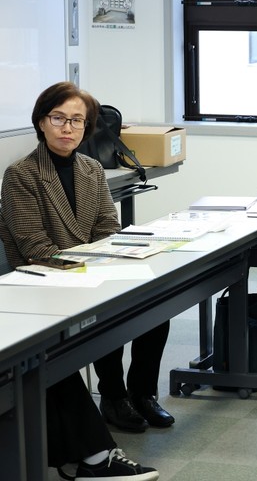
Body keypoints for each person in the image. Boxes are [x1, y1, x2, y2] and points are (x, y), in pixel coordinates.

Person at [0, 82, 158, 479]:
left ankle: (140, 395)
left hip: (87, 275)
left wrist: (109, 262)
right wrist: (92, 267)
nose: (67, 128)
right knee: (64, 351)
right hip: (41, 285)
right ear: (41, 122)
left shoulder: (91, 169)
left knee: (154, 305)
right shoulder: (21, 175)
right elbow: (35, 246)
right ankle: (110, 409)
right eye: (58, 118)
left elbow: (107, 228)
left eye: (77, 121)